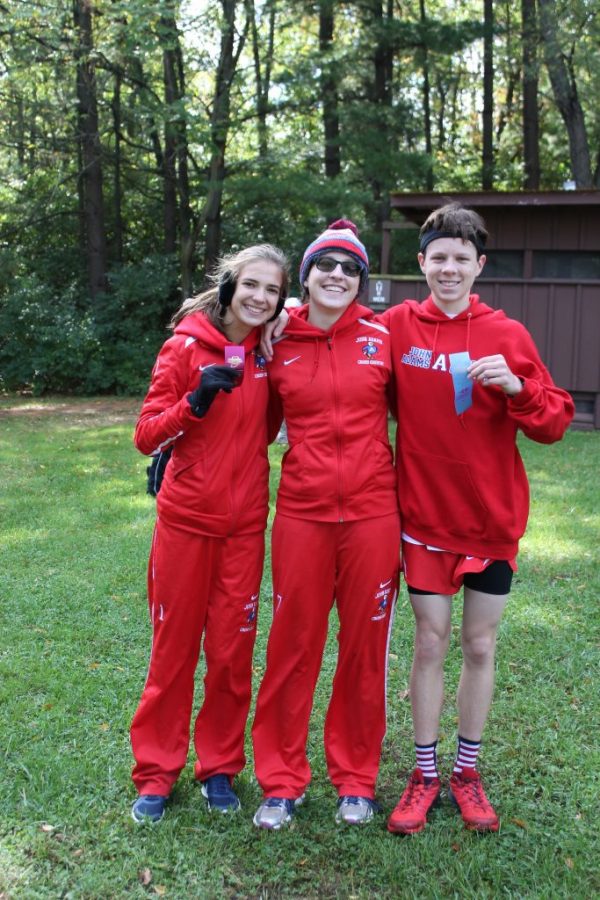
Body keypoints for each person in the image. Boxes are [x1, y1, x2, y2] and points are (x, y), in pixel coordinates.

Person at [378, 202, 574, 834]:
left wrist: (518, 390)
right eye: (439, 258)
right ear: (422, 264)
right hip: (424, 519)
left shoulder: (506, 335)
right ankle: (425, 772)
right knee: (430, 641)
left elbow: (554, 421)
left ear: (479, 265)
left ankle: (467, 771)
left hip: (490, 521)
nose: (450, 268)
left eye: (462, 259)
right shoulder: (398, 327)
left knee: (479, 643)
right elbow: (347, 363)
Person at [130, 244, 289, 823]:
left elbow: (271, 425)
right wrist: (194, 402)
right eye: (252, 285)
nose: (260, 298)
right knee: (172, 654)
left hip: (244, 528)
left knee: (230, 654)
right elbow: (146, 435)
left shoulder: (272, 353)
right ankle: (155, 773)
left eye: (272, 291)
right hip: (185, 525)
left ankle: (219, 767)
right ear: (229, 285)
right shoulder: (183, 346)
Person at [252, 220, 401, 829]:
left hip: (372, 512)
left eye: (349, 268)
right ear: (306, 276)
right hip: (302, 513)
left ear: (361, 282)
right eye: (325, 265)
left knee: (364, 649)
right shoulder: (274, 336)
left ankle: (357, 779)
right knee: (292, 646)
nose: (337, 274)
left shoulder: (382, 334)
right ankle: (282, 782)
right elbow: (248, 423)